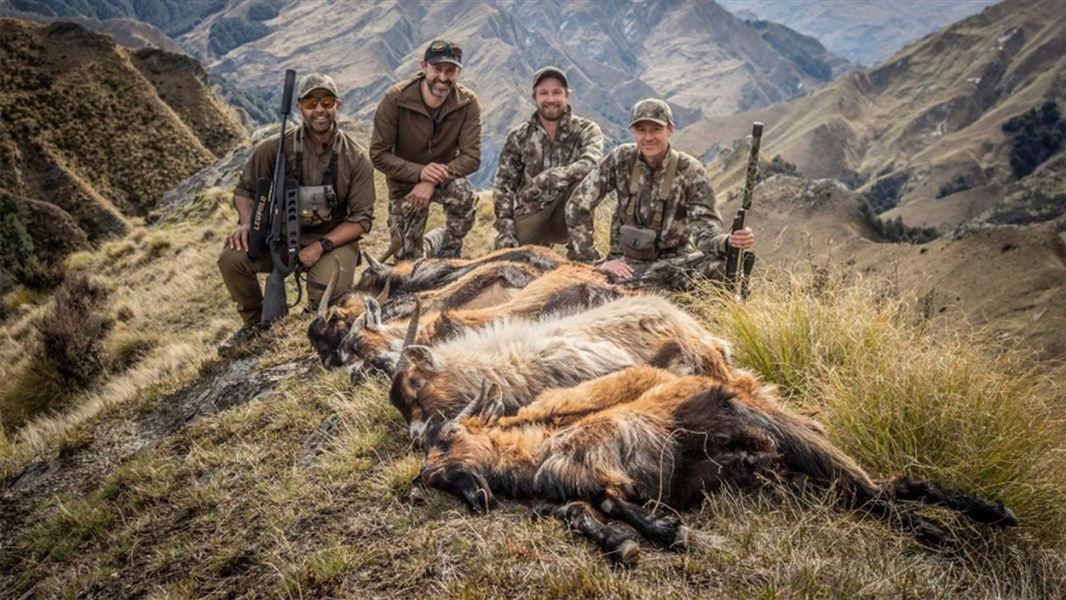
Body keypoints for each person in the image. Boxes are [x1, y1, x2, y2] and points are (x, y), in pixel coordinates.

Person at [218, 72, 375, 352]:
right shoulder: (274, 149)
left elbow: (361, 219)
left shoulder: (356, 157)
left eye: (326, 101)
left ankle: (311, 321)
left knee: (330, 298)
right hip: (277, 238)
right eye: (310, 102)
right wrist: (246, 224)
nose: (319, 109)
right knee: (232, 258)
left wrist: (320, 246)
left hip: (329, 241)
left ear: (337, 105)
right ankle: (255, 326)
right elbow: (245, 190)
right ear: (300, 107)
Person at [565, 98, 755, 290]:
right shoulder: (620, 159)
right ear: (633, 132)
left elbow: (706, 232)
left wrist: (729, 241)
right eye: (641, 130)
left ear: (669, 130)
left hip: (677, 264)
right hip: (627, 266)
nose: (648, 137)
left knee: (723, 268)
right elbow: (578, 205)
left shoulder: (690, 171)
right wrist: (596, 262)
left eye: (655, 129)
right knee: (597, 287)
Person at [370, 40, 482, 260]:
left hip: (444, 179)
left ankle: (450, 251)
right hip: (404, 184)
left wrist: (431, 179)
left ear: (458, 72)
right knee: (407, 262)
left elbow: (472, 157)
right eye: (437, 69)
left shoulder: (467, 103)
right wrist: (418, 173)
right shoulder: (396, 99)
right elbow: (378, 154)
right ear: (424, 66)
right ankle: (431, 243)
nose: (442, 77)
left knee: (463, 193)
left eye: (450, 71)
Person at [492, 66, 603, 249]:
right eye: (543, 93)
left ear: (567, 95)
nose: (550, 99)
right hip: (532, 211)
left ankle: (583, 253)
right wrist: (506, 231)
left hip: (567, 212)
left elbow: (592, 164)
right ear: (534, 97)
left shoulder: (587, 130)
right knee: (505, 258)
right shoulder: (519, 137)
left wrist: (547, 179)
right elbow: (503, 186)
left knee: (581, 184)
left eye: (556, 92)